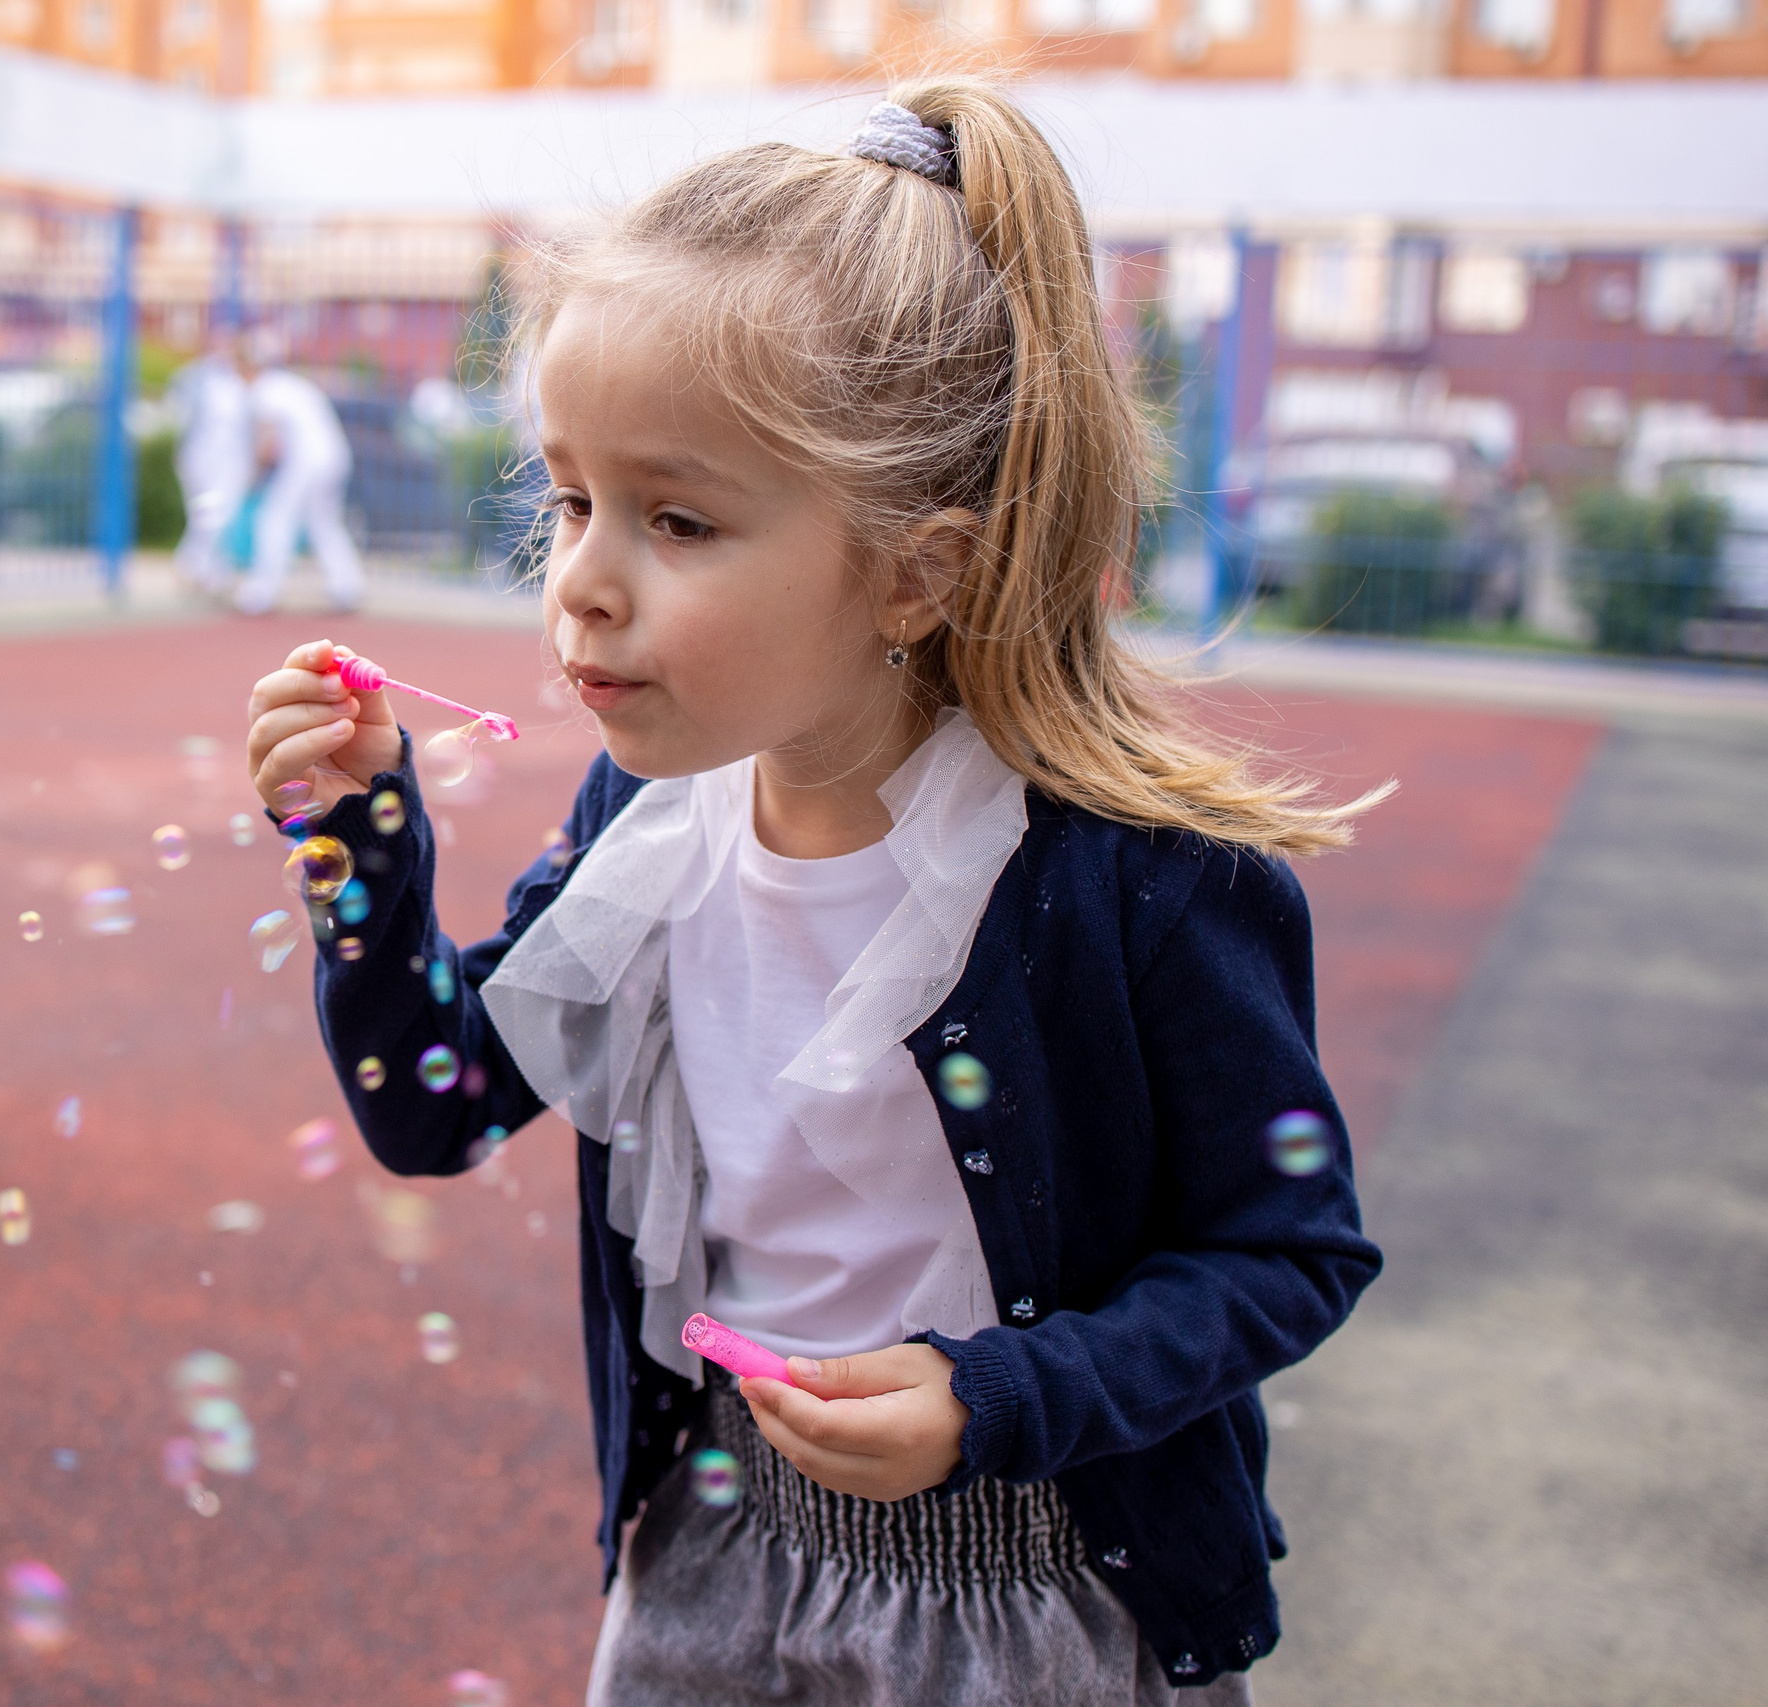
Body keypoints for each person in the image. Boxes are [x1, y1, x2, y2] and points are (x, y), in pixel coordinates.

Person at [243, 84, 1387, 1705]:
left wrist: (995, 1396)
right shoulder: (651, 815)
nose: (581, 576)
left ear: (916, 568)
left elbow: (1290, 1254)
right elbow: (437, 1105)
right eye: (571, 499)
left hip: (1041, 1595)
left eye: (679, 517)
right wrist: (358, 837)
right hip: (711, 1547)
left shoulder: (1136, 877)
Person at [233, 329, 362, 616]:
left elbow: (268, 444)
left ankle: (261, 593)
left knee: (274, 518)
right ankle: (346, 587)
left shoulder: (264, 390)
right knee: (324, 522)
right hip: (334, 456)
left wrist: (251, 480)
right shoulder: (291, 384)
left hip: (307, 462)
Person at [169, 333, 253, 595]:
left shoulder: (242, 382)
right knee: (207, 514)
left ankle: (205, 569)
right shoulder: (196, 378)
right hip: (202, 458)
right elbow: (180, 414)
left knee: (220, 514)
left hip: (231, 463)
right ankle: (197, 567)